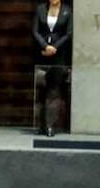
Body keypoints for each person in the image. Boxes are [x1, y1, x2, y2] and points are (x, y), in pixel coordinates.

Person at [33, 0, 72, 136]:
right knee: (41, 89)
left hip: (58, 55)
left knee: (54, 90)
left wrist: (55, 48)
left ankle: (50, 125)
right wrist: (45, 46)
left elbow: (68, 33)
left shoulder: (67, 11)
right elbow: (35, 31)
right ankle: (40, 125)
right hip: (42, 54)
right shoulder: (40, 9)